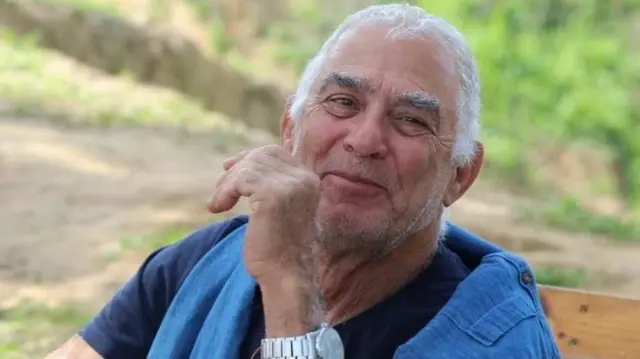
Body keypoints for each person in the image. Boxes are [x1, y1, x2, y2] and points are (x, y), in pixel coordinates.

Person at [47, 3, 560, 359]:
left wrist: (291, 287)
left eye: (411, 120)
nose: (365, 139)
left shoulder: (488, 338)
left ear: (460, 175)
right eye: (342, 103)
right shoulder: (206, 265)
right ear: (290, 131)